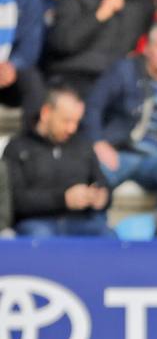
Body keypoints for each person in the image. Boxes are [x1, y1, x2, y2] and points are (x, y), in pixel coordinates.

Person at [84, 21, 157, 200]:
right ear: (147, 48)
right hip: (119, 152)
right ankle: (96, 226)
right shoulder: (124, 71)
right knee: (96, 175)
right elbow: (93, 106)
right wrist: (98, 142)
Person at [42, 0, 155, 96]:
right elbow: (62, 43)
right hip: (75, 74)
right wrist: (99, 15)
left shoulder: (142, 7)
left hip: (121, 79)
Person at [3, 86, 111, 237]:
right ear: (46, 113)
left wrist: (101, 197)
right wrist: (63, 199)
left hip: (80, 222)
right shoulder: (18, 147)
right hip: (36, 222)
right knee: (40, 237)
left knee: (109, 236)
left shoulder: (83, 145)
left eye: (76, 122)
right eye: (66, 121)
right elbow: (16, 200)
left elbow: (102, 183)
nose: (72, 129)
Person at [0, 0, 46, 120]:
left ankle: (31, 142)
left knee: (32, 80)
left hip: (9, 75)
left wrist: (11, 67)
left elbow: (30, 47)